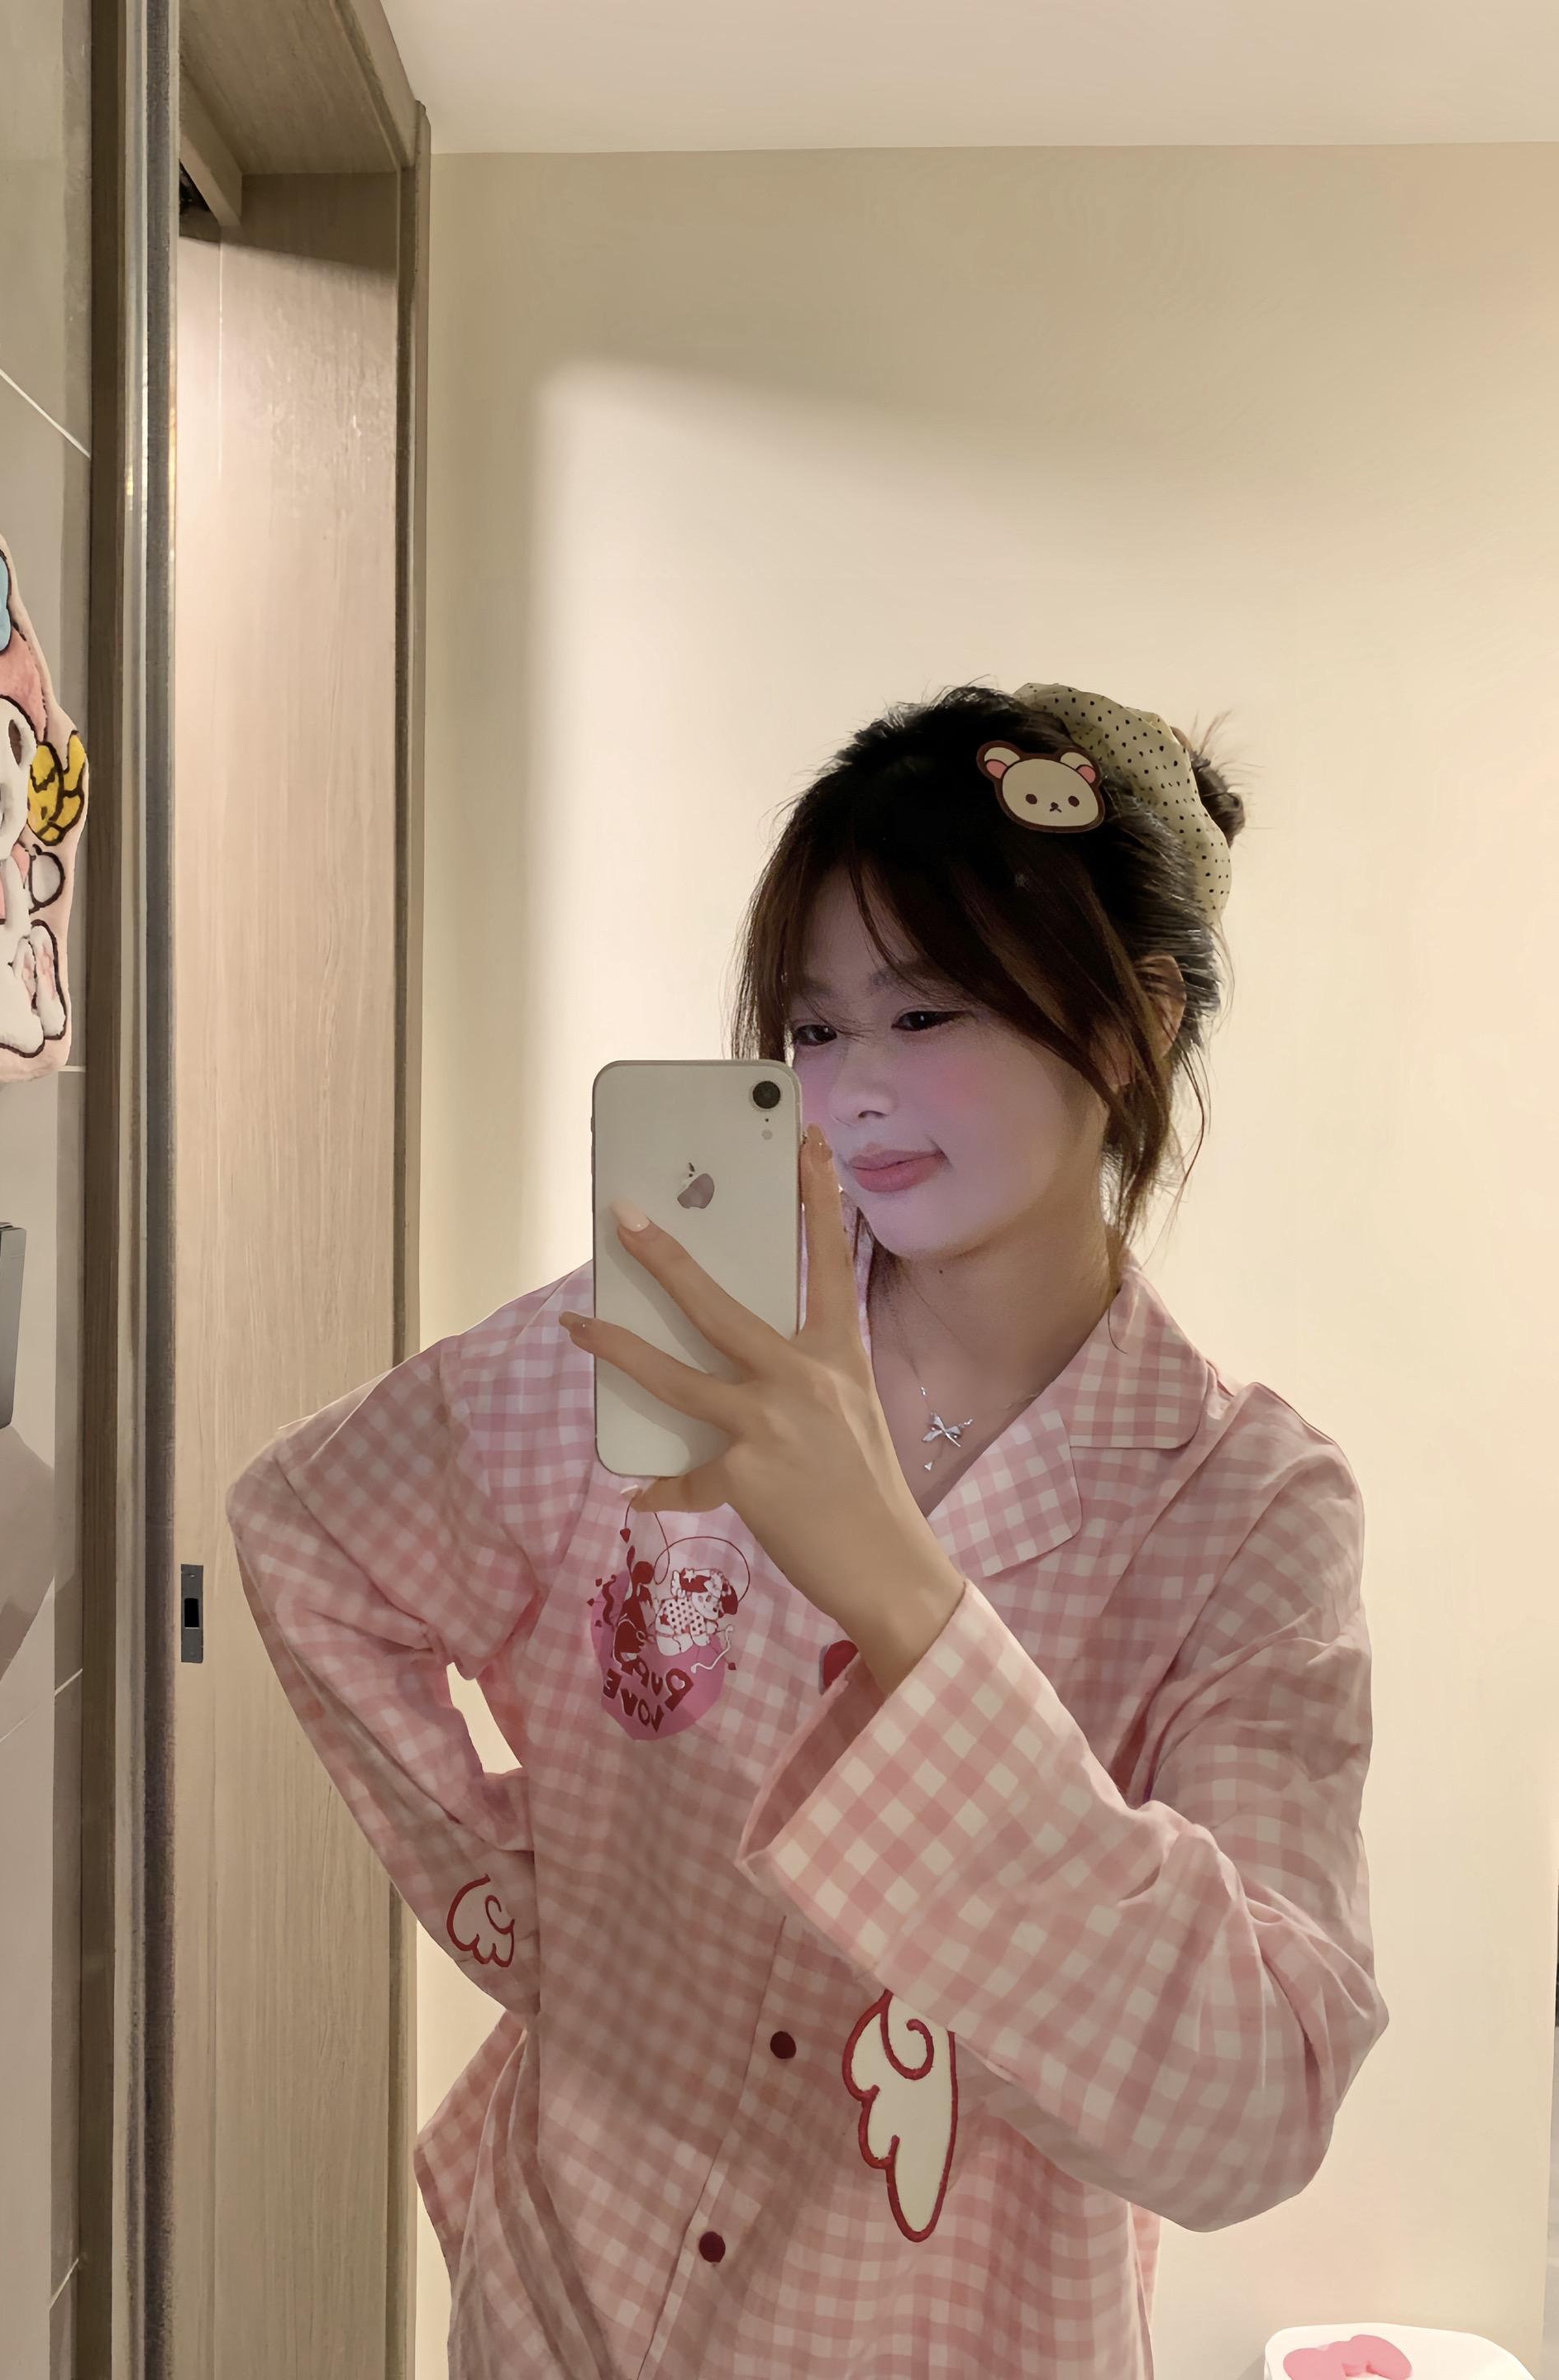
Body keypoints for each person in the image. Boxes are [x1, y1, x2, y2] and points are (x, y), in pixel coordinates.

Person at [226, 678, 1388, 2379]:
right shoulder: (680, 1339)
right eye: (816, 1028)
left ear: (1133, 1024)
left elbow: (1250, 2108)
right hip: (561, 2306)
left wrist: (900, 1591)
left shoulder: (1241, 1515)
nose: (854, 1091)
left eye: (923, 1013)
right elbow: (311, 1534)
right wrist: (521, 1912)